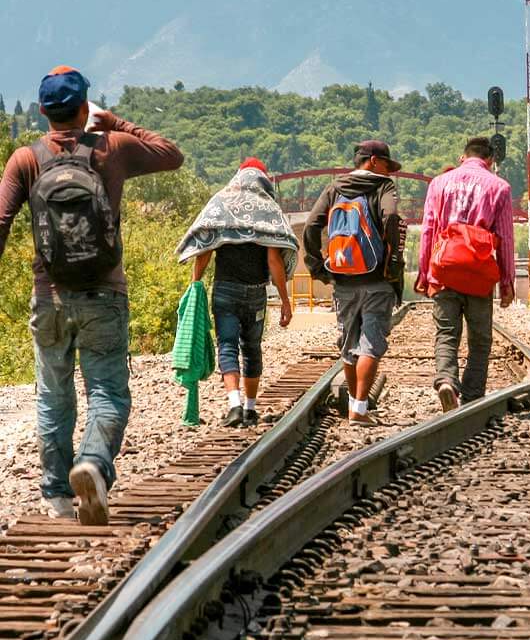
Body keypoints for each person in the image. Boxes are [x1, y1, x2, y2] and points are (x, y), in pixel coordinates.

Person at [0, 66, 183, 523]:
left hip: (50, 296)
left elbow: (1, 222)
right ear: (86, 107)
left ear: (42, 111)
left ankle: (58, 497)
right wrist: (117, 123)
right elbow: (172, 154)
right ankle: (94, 464)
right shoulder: (112, 148)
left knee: (53, 396)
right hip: (104, 292)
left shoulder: (25, 158)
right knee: (107, 391)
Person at [177, 158, 298, 427]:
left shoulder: (221, 204)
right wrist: (286, 301)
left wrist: (195, 284)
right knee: (252, 349)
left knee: (228, 345)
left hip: (224, 291)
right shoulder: (269, 209)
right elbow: (274, 261)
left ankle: (234, 405)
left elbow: (206, 248)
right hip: (255, 293)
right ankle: (251, 409)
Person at [302, 140, 404, 426]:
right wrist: (393, 257)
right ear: (372, 160)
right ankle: (358, 409)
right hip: (376, 279)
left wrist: (316, 266)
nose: (389, 171)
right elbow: (392, 217)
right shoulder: (384, 186)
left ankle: (353, 405)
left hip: (343, 279)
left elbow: (311, 225)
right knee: (371, 342)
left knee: (348, 346)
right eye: (386, 164)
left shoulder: (334, 187)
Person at [415, 137, 515, 411]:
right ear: (491, 160)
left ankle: (447, 380)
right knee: (480, 338)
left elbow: (428, 230)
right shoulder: (500, 187)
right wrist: (507, 281)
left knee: (446, 332)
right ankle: (472, 399)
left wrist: (425, 272)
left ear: (463, 157)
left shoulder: (438, 183)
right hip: (479, 272)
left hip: (444, 268)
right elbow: (505, 237)